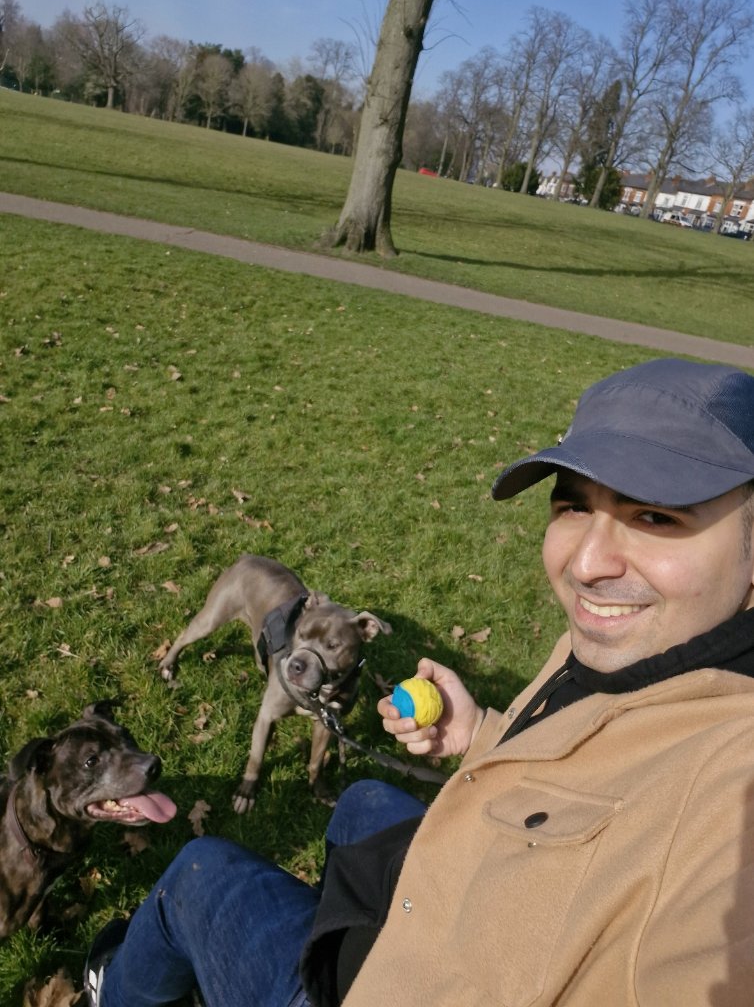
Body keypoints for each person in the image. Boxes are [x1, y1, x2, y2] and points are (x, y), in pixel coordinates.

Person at [84, 357, 754, 1007]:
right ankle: (312, 931)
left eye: (656, 516)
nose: (586, 564)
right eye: (573, 507)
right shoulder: (641, 640)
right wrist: (483, 735)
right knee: (364, 799)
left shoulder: (730, 809)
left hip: (394, 980)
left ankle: (112, 988)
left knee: (198, 875)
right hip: (441, 897)